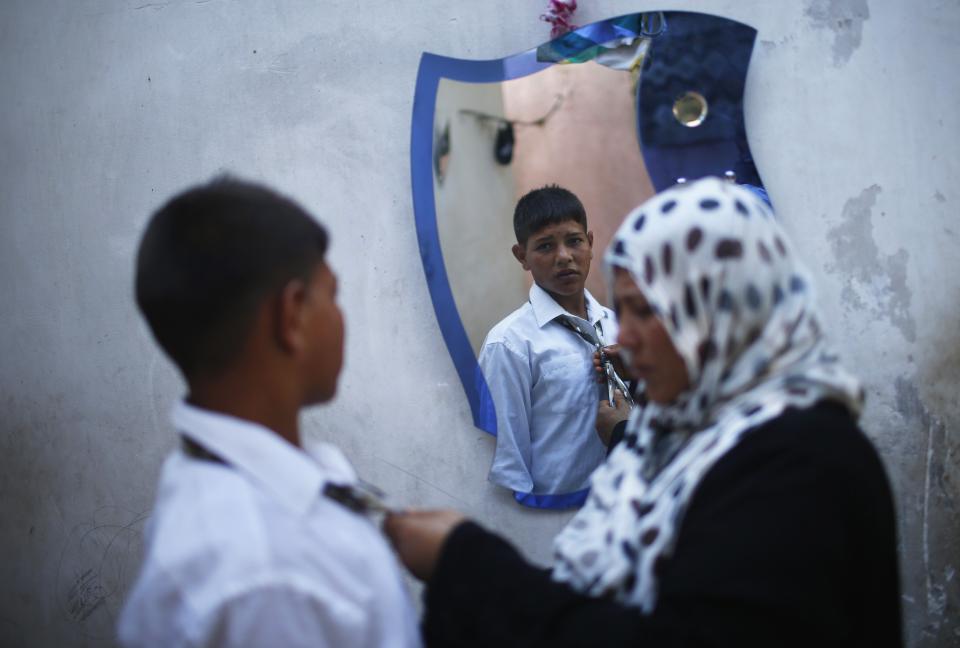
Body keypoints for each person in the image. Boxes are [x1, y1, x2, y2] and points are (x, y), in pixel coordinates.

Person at [385, 177, 903, 647]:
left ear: (725, 309)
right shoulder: (706, 438)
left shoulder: (800, 463)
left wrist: (469, 566)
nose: (623, 338)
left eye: (650, 311)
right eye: (625, 309)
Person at [118, 178, 420, 648]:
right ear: (292, 315)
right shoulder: (268, 575)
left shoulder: (237, 487)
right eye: (332, 295)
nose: (342, 317)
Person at [478, 185, 627, 508]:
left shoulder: (620, 327)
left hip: (626, 507)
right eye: (545, 246)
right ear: (522, 257)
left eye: (574, 241)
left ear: (590, 242)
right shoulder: (510, 344)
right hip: (554, 518)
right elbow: (507, 461)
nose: (564, 257)